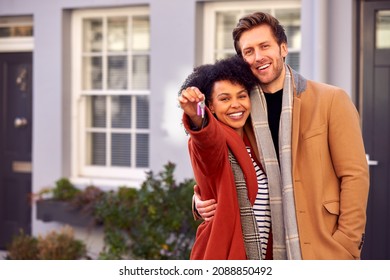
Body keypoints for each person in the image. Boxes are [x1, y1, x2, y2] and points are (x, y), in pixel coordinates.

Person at [193, 11, 369, 260]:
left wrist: (347, 243)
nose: (258, 57)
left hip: (324, 246)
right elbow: (217, 158)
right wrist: (198, 199)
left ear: (283, 48)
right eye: (249, 51)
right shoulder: (242, 112)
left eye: (265, 46)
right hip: (265, 249)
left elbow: (355, 176)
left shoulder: (330, 100)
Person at [178, 55, 273, 260]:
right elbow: (207, 141)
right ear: (210, 106)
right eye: (225, 99)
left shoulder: (257, 142)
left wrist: (197, 201)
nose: (236, 104)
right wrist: (197, 115)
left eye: (241, 96)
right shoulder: (214, 141)